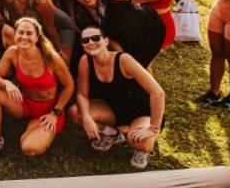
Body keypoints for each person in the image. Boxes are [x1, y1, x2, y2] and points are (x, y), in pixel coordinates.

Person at [71, 26, 166, 169]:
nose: (91, 42)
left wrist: (153, 128)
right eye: (85, 40)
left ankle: (143, 150)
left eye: (96, 38)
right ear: (83, 46)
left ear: (106, 41)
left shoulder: (124, 60)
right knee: (75, 113)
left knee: (140, 142)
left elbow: (158, 93)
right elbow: (82, 94)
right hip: (113, 110)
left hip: (141, 112)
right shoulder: (85, 61)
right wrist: (87, 118)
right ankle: (112, 134)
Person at [0, 17, 74, 161]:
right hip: (24, 104)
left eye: (29, 33)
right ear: (15, 34)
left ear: (37, 37)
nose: (24, 37)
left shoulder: (51, 58)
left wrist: (55, 113)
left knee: (29, 149)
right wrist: (7, 83)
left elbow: (69, 86)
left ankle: (36, 128)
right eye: (21, 32)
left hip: (49, 110)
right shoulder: (12, 52)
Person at [68, 0, 166, 68]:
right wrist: (121, 57)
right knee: (133, 70)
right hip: (127, 42)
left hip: (149, 31)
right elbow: (108, 39)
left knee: (142, 68)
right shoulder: (82, 15)